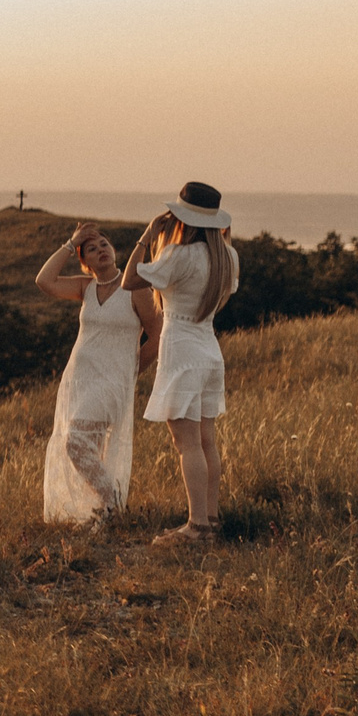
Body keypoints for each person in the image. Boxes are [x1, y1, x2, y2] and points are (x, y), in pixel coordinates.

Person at [121, 181, 241, 544]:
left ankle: (196, 526)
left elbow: (129, 280)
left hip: (182, 350)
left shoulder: (179, 255)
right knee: (206, 441)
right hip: (209, 349)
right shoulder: (228, 256)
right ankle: (211, 519)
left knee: (186, 443)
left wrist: (146, 237)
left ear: (181, 218)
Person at [32, 220, 161, 523]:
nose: (101, 250)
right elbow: (44, 281)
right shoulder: (85, 287)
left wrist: (131, 373)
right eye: (91, 249)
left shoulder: (136, 288)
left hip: (113, 380)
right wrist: (71, 242)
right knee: (92, 447)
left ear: (113, 250)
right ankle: (102, 510)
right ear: (85, 262)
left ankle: (113, 504)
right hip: (80, 378)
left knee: (76, 443)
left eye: (104, 244)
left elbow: (158, 335)